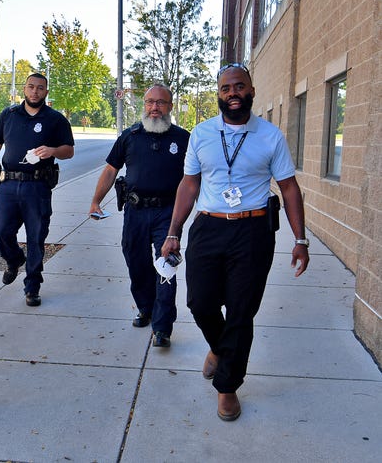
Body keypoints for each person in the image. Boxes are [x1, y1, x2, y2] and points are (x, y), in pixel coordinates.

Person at [161, 63, 310, 421]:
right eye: (226, 88)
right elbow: (189, 185)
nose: (232, 94)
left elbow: (289, 188)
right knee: (200, 302)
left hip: (253, 231)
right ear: (218, 93)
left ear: (251, 91)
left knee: (242, 312)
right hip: (209, 227)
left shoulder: (271, 136)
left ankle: (227, 386)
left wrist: (300, 239)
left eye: (239, 86)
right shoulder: (201, 133)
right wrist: (173, 231)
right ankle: (219, 348)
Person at [89, 84, 189, 348]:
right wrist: (96, 201)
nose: (154, 108)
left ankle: (162, 326)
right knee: (136, 262)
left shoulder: (183, 138)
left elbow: (195, 177)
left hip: (168, 212)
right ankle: (146, 308)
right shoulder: (129, 136)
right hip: (135, 211)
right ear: (144, 105)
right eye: (150, 102)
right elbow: (111, 170)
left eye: (161, 103)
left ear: (170, 106)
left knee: (166, 265)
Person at [0, 73, 74, 306]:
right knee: (0, 233)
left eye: (40, 88)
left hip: (37, 186)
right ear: (24, 89)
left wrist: (52, 151)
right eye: (31, 87)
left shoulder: (55, 120)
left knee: (36, 238)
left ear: (46, 92)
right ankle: (14, 259)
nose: (35, 91)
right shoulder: (8, 116)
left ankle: (32, 288)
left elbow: (69, 151)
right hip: (7, 185)